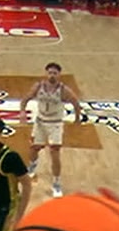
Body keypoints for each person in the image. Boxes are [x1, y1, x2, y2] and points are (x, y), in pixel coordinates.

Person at [23, 64, 81, 198]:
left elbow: (76, 103)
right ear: (46, 73)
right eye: (50, 73)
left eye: (55, 73)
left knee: (55, 154)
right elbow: (25, 99)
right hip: (40, 122)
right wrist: (22, 112)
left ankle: (56, 183)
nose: (52, 75)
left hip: (55, 124)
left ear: (59, 75)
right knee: (33, 149)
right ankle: (32, 166)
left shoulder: (64, 90)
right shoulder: (38, 87)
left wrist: (77, 119)